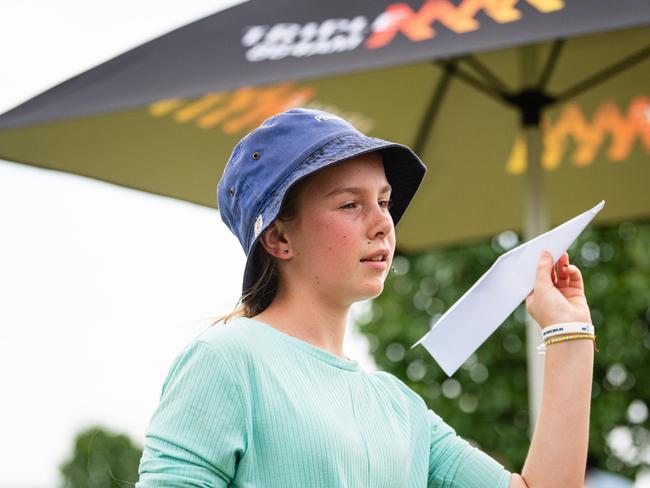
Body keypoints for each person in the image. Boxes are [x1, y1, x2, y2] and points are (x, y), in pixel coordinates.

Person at [135, 107, 596, 487]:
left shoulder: (400, 408)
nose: (382, 223)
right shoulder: (227, 361)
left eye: (384, 200)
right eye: (350, 204)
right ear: (279, 239)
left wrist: (569, 334)